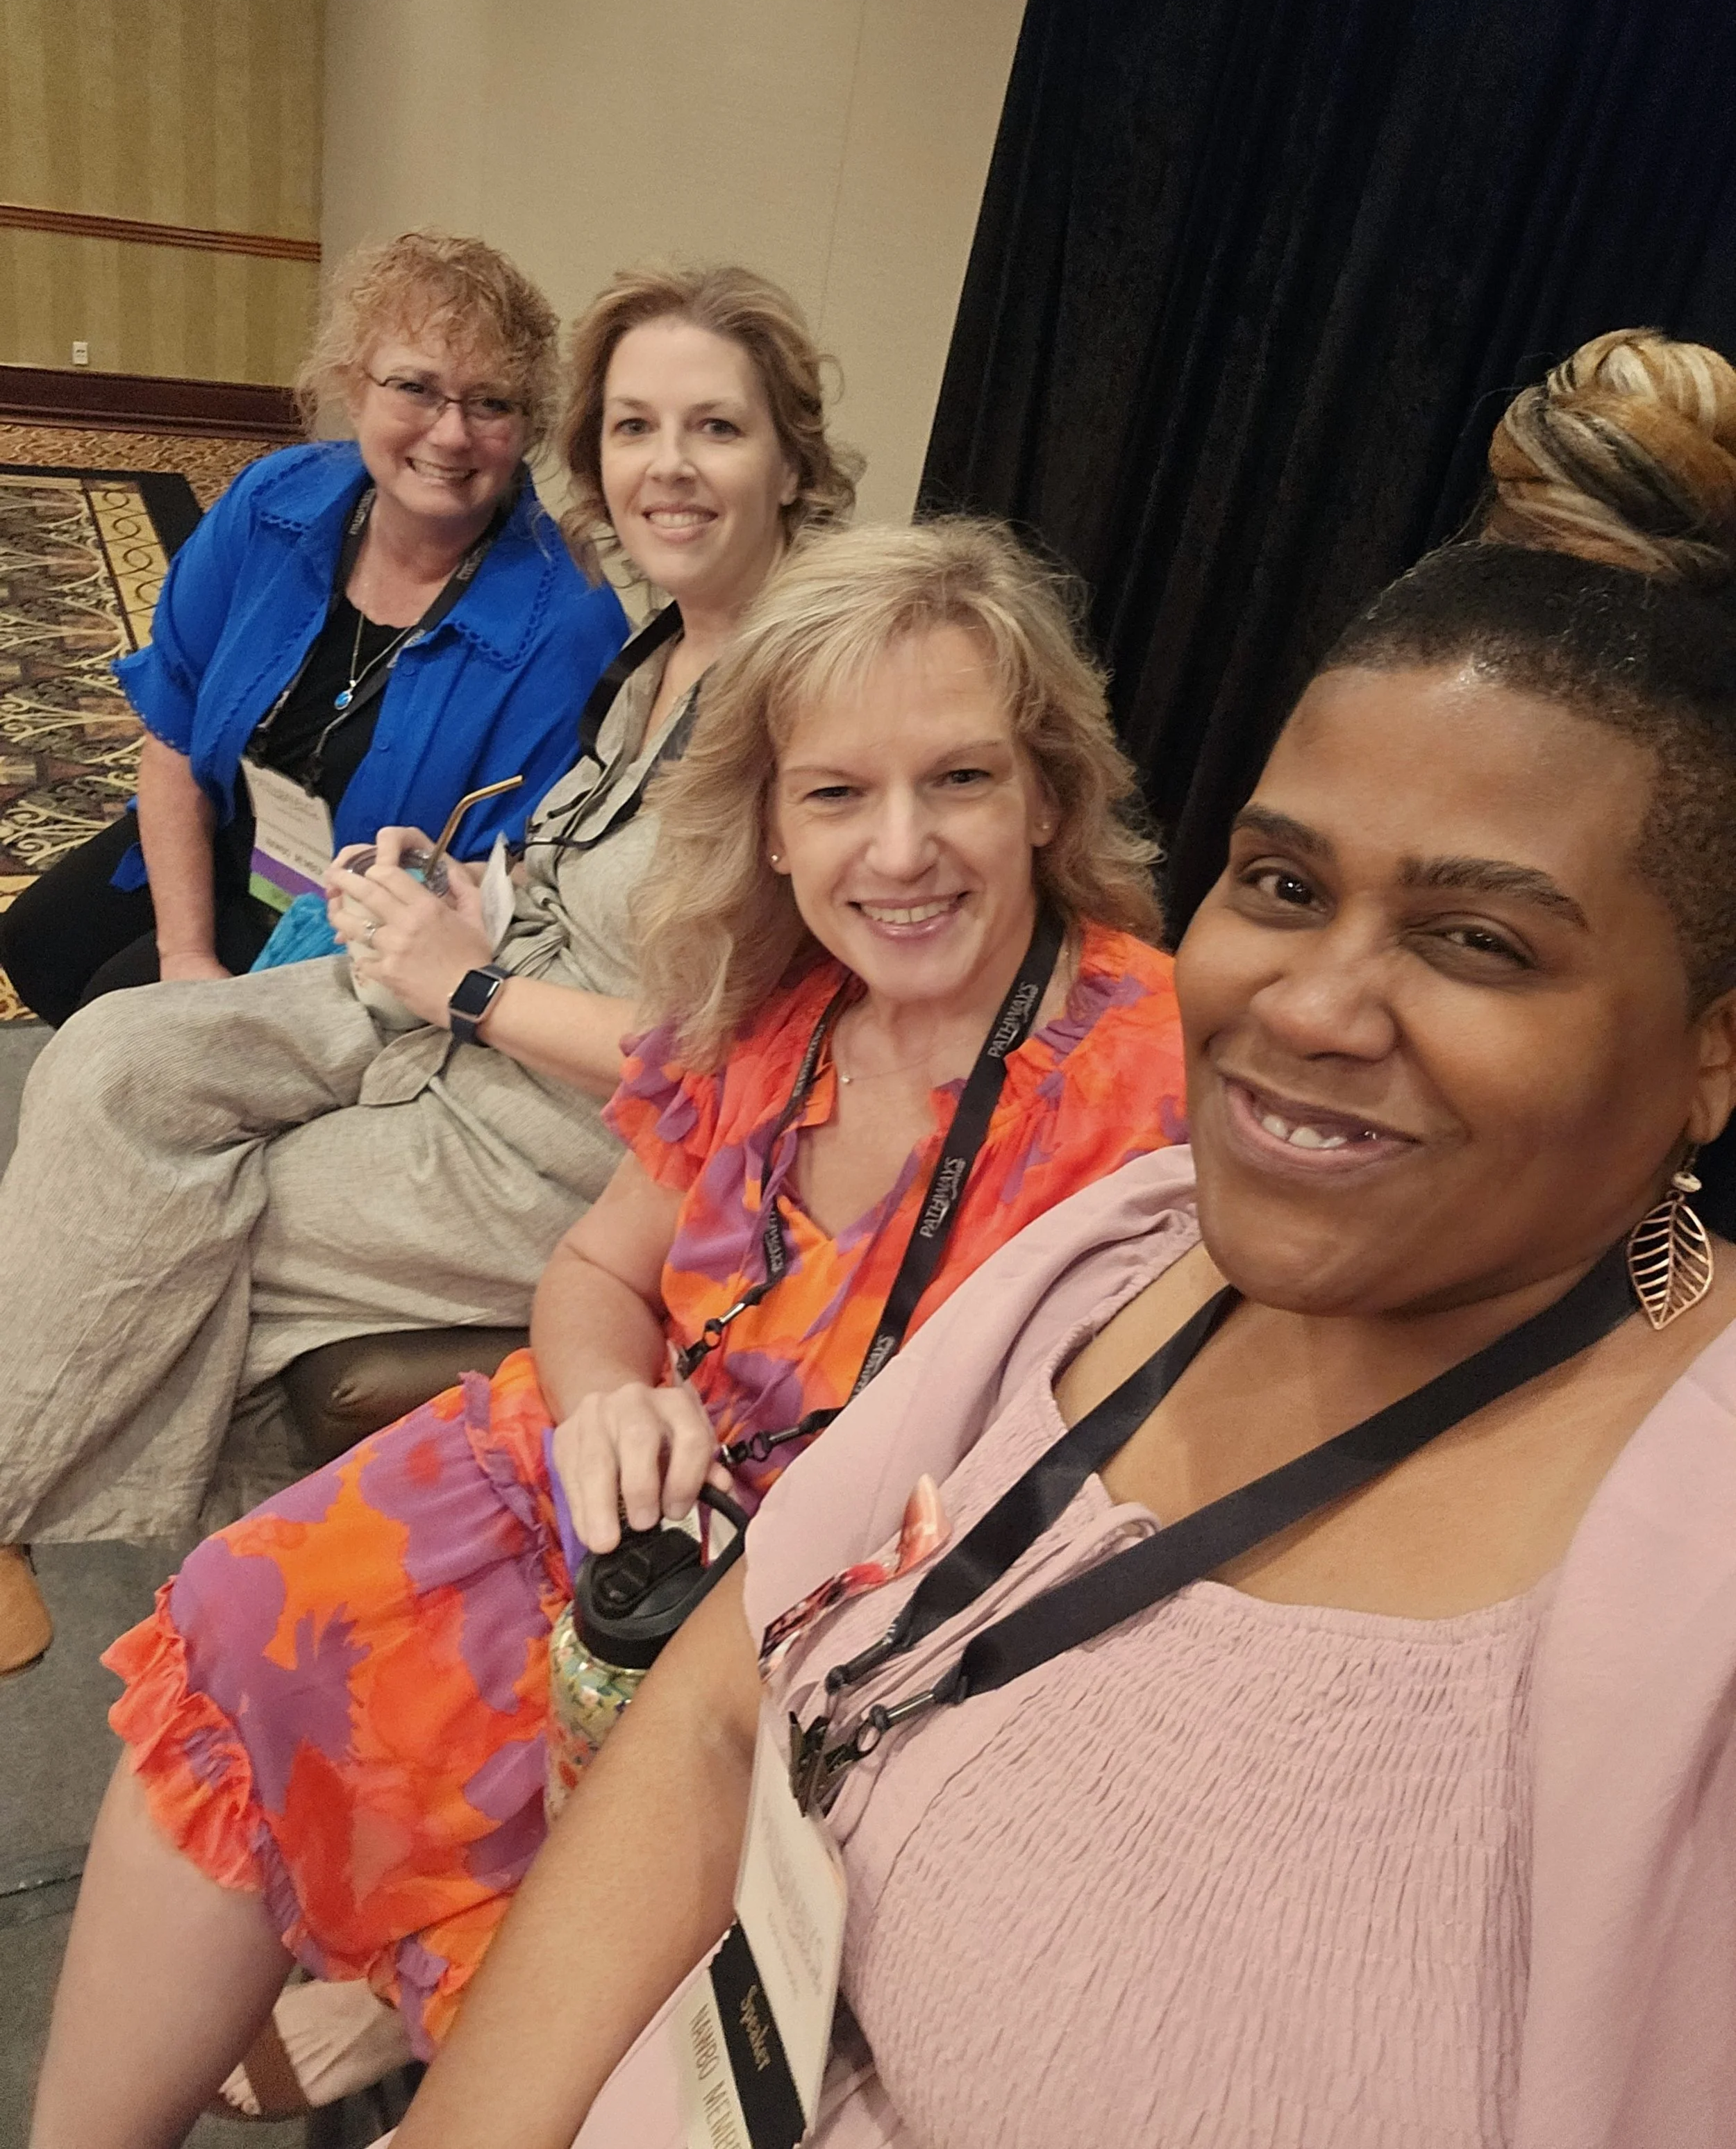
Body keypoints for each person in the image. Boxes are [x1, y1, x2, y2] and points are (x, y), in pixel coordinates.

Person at [341, 327, 1736, 2149]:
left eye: (1480, 940)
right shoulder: (1116, 1253)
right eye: (1285, 881)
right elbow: (713, 1720)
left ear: (1710, 1044)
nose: (1312, 1001)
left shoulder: (1682, 1584)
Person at [26, 515, 1191, 2149]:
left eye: (963, 781)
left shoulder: (1160, 1080)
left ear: (1050, 796)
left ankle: (400, 1968)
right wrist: (599, 1404)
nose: (903, 848)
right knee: (244, 1608)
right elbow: (592, 1272)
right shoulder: (781, 1013)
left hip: (859, 1627)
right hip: (630, 1509)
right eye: (838, 793)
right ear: (775, 830)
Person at [0, 259, 860, 1666]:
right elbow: (581, 863)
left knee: (212, 1214)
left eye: (715, 428)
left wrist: (469, 987)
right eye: (636, 428)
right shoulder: (656, 646)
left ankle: (172, 1583)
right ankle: (59, 1510)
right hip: (467, 981)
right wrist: (462, 891)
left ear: (788, 455)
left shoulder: (805, 691)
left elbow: (741, 1048)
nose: (669, 467)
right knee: (113, 1053)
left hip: (568, 1108)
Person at [0, 231, 625, 1026]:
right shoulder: (275, 499)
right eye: (415, 387)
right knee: (38, 943)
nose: (451, 433)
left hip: (360, 931)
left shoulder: (568, 622)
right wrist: (186, 956)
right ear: (352, 389)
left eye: (491, 402)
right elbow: (176, 730)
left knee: (115, 1017)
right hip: (236, 822)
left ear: (528, 424)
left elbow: (511, 886)